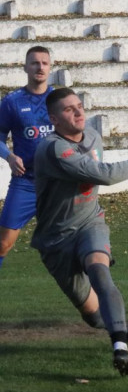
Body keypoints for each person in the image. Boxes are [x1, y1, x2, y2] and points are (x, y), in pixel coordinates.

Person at [33, 88, 128, 375]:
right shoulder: (54, 149)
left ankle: (119, 346)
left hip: (90, 224)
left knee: (100, 270)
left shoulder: (94, 138)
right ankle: (115, 324)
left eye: (79, 105)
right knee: (92, 315)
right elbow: (105, 175)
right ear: (54, 119)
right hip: (55, 240)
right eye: (68, 109)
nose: (78, 111)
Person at [0, 46, 54, 272]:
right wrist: (9, 156)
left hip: (57, 183)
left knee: (75, 242)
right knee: (3, 243)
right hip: (25, 183)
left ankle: (93, 297)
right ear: (25, 67)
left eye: (44, 63)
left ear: (50, 68)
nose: (40, 67)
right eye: (34, 63)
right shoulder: (12, 101)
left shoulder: (60, 99)